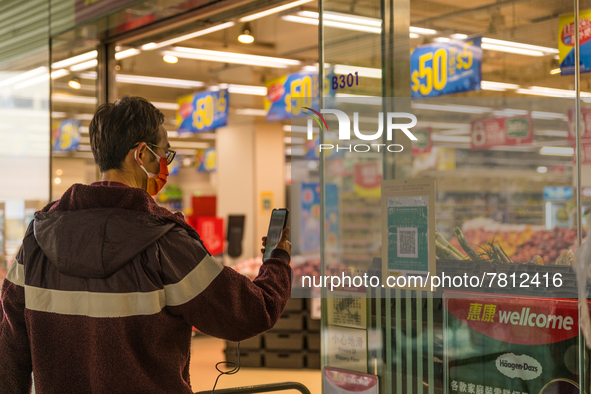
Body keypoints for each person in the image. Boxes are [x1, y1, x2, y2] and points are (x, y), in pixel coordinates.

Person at [0, 96, 292, 393]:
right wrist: (277, 261)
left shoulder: (36, 240)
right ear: (142, 154)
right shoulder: (166, 242)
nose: (165, 163)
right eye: (165, 153)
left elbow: (9, 355)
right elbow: (249, 313)